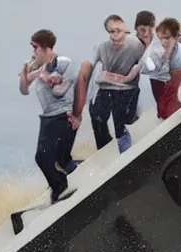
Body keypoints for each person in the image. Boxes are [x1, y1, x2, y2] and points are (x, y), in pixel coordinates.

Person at [71, 15, 145, 154]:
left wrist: (124, 78)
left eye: (119, 31)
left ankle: (127, 145)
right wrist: (78, 109)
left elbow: (147, 65)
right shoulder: (101, 47)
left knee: (121, 124)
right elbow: (87, 71)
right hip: (106, 89)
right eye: (112, 32)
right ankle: (105, 149)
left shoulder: (136, 45)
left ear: (125, 31)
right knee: (96, 114)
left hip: (127, 90)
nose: (115, 35)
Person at [19, 29, 78, 203]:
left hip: (62, 114)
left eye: (35, 47)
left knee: (43, 157)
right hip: (47, 117)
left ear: (45, 47)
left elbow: (59, 89)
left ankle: (60, 187)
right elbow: (23, 89)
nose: (33, 52)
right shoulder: (38, 65)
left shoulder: (61, 62)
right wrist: (26, 72)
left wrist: (43, 75)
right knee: (53, 158)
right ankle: (65, 181)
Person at [144, 18, 181, 120]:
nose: (164, 41)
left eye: (167, 38)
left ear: (176, 37)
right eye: (161, 38)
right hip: (165, 87)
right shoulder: (155, 55)